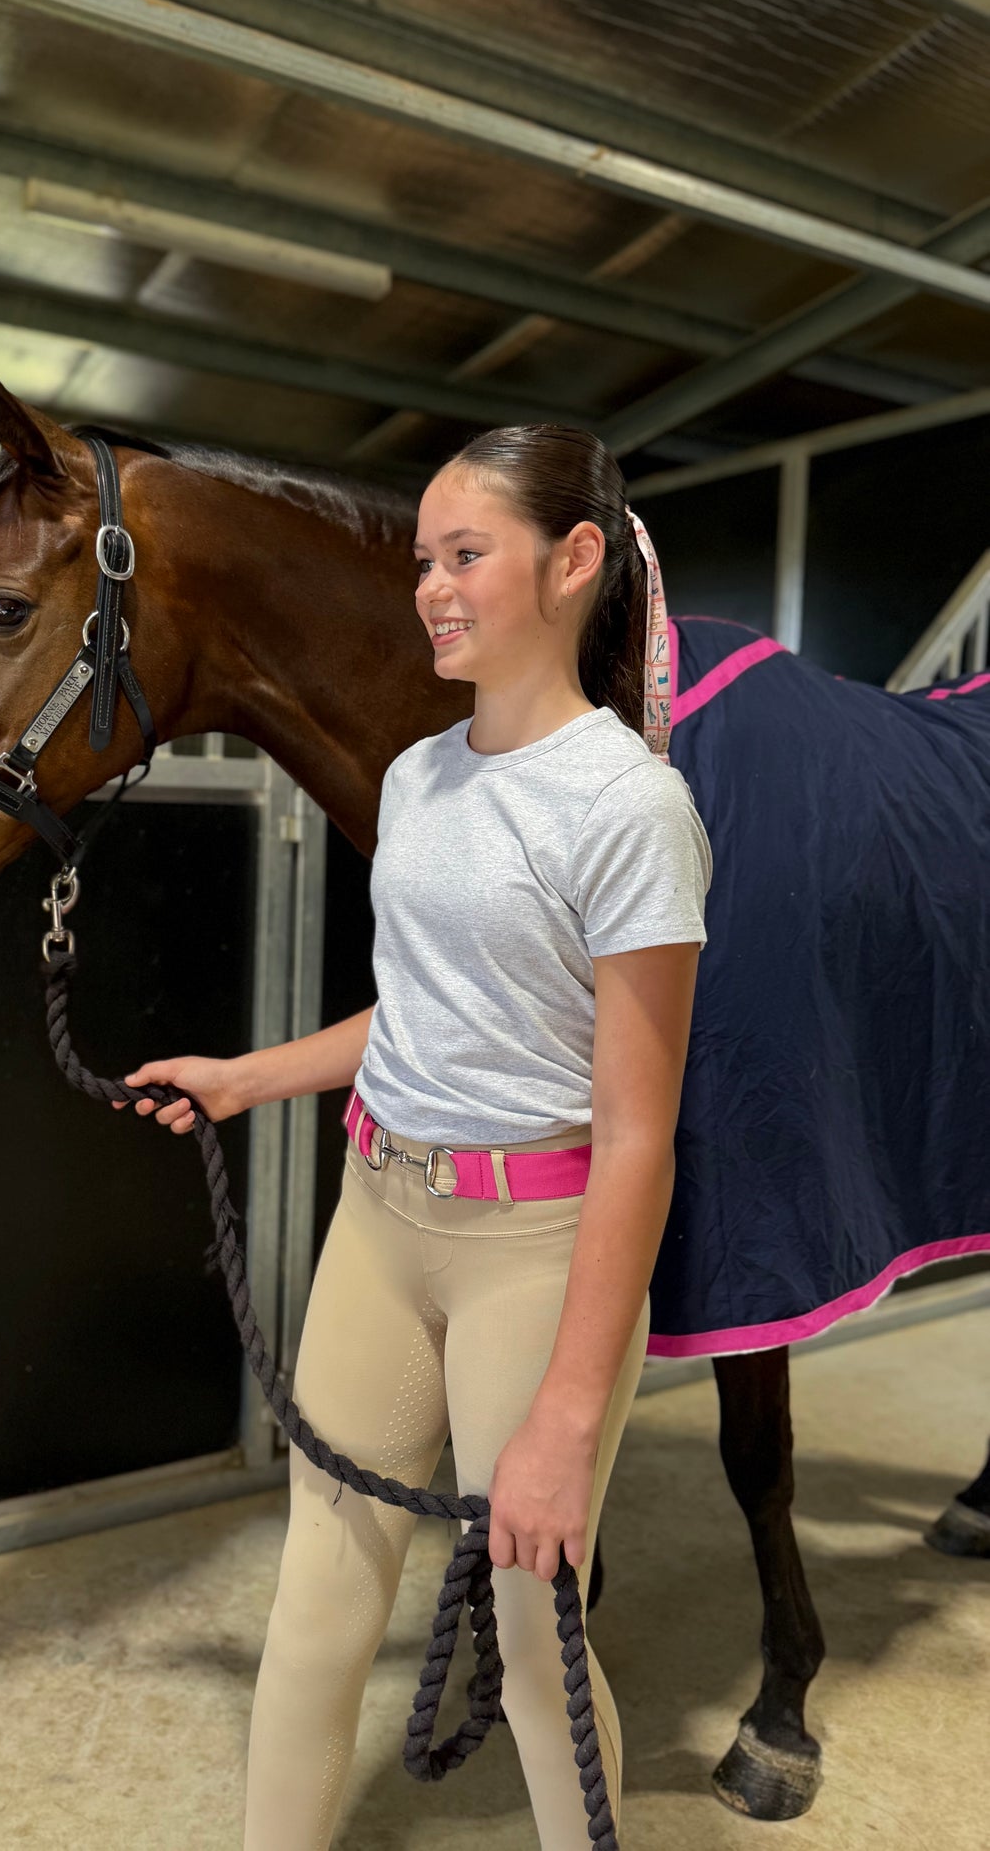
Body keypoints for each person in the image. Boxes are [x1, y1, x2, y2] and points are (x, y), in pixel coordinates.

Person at [114, 425, 713, 1848]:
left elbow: (639, 1132)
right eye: (424, 560)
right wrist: (244, 1077)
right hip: (381, 1220)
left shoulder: (631, 808)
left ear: (571, 564)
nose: (432, 588)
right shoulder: (418, 778)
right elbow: (423, 1016)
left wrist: (567, 1415)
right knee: (316, 1603)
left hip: (534, 1247)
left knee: (530, 1641)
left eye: (466, 556)